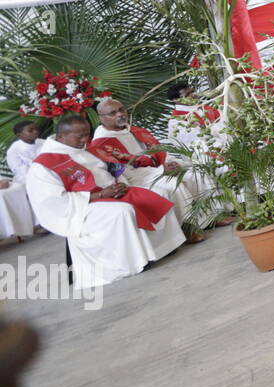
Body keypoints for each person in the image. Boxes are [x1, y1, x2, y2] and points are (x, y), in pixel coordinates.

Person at [25, 114, 186, 285]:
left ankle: (163, 247)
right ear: (61, 136)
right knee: (122, 212)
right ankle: (133, 263)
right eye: (79, 136)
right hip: (82, 207)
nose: (85, 139)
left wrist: (118, 185)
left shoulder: (84, 149)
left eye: (87, 134)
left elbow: (111, 170)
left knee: (158, 194)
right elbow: (54, 201)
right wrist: (100, 195)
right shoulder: (43, 166)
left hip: (111, 192)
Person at [165, 81, 274, 187]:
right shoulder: (176, 122)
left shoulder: (206, 106)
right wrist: (223, 133)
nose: (193, 95)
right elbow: (195, 141)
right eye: (187, 95)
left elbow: (228, 118)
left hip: (231, 133)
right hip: (213, 144)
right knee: (260, 147)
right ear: (174, 101)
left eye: (193, 91)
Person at [91, 97, 207, 240]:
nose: (120, 114)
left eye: (121, 110)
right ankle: (189, 226)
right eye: (112, 113)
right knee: (172, 184)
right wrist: (161, 171)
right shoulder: (101, 143)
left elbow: (159, 150)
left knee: (196, 172)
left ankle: (211, 217)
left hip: (157, 169)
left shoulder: (134, 130)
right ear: (101, 118)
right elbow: (126, 174)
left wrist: (170, 162)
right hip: (140, 179)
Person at [6, 120, 43, 184]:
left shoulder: (44, 142)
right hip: (27, 181)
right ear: (19, 135)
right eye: (30, 130)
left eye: (36, 129)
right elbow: (20, 171)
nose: (35, 132)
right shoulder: (13, 151)